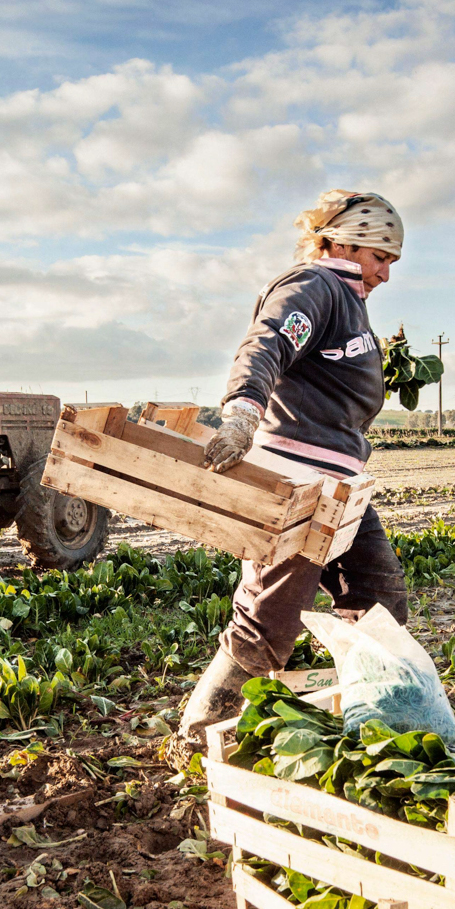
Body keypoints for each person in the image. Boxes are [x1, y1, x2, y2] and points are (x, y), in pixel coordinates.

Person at [177, 190, 411, 747]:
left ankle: (372, 719)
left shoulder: (350, 303)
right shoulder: (315, 286)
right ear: (345, 242)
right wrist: (241, 413)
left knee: (378, 599)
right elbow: (267, 346)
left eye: (392, 262)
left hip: (342, 484)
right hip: (299, 481)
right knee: (270, 623)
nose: (385, 273)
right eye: (381, 257)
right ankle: (198, 735)